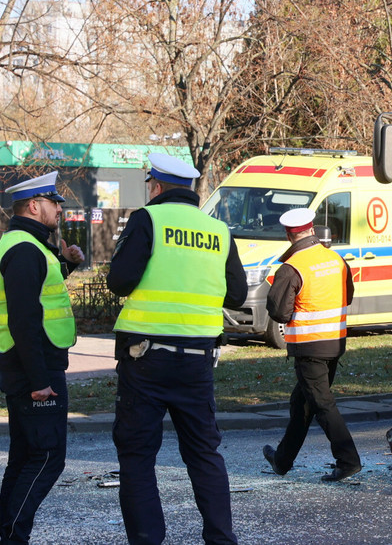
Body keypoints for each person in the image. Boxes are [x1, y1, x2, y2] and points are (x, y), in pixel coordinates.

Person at [107, 153, 248, 545]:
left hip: (145, 360)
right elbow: (237, 294)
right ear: (189, 189)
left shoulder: (147, 220)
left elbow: (119, 281)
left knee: (137, 457)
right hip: (198, 363)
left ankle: (148, 539)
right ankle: (222, 539)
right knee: (204, 455)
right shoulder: (218, 230)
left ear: (156, 186)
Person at [0, 171, 84, 545]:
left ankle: (10, 538)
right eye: (53, 203)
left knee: (24, 458)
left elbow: (39, 297)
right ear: (33, 205)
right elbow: (25, 320)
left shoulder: (25, 245)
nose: (58, 209)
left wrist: (68, 264)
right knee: (47, 458)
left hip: (26, 366)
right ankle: (13, 539)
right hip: (35, 369)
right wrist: (40, 380)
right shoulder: (26, 250)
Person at [261, 208, 362, 481]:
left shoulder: (292, 267)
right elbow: (348, 296)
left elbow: (279, 312)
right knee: (302, 402)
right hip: (334, 343)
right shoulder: (335, 259)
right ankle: (282, 460)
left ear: (288, 234)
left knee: (321, 404)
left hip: (310, 347)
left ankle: (348, 460)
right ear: (313, 229)